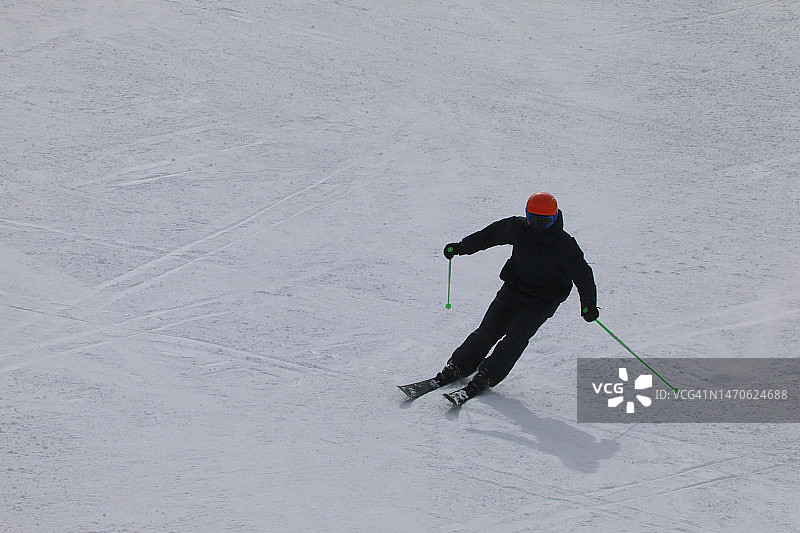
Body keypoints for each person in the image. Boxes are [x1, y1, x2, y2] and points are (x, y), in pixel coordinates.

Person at [435, 192, 599, 398]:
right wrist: (462, 247)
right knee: (487, 330)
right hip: (513, 290)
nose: (539, 225)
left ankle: (487, 375)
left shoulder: (564, 245)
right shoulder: (518, 228)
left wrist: (588, 304)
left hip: (542, 301)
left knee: (515, 338)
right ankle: (459, 366)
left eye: (545, 221)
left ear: (554, 218)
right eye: (534, 219)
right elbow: (490, 235)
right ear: (527, 215)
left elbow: (583, 275)